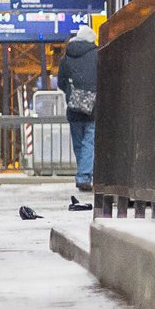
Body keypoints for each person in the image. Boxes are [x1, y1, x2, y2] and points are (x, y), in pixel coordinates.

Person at [58, 23, 99, 193]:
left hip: (73, 107)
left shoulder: (66, 56)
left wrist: (71, 93)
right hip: (92, 106)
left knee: (79, 144)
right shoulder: (97, 55)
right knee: (89, 141)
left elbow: (61, 82)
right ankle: (84, 176)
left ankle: (83, 173)